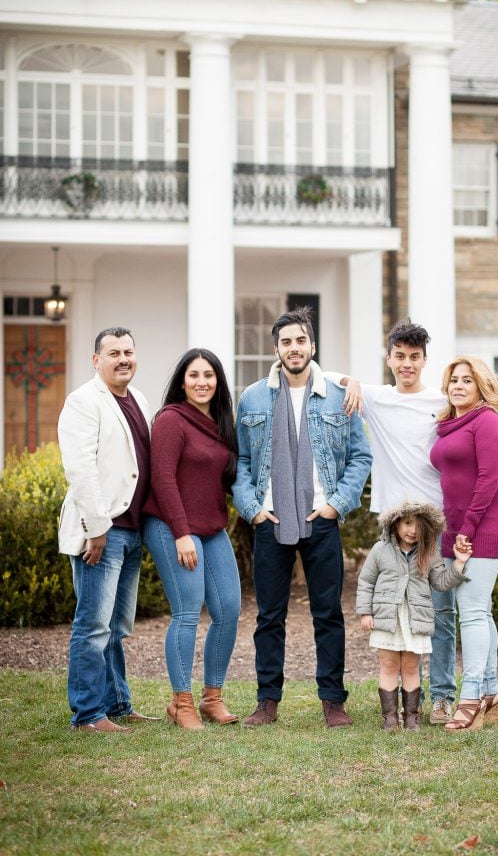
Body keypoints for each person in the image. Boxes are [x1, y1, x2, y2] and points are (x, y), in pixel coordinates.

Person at [330, 321, 498, 725]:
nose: (407, 364)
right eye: (400, 356)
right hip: (393, 523)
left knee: (445, 612)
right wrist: (352, 381)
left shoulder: (444, 404)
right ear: (389, 359)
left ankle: (444, 697)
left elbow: (482, 440)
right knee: (399, 607)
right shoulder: (376, 398)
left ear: (425, 360)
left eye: (415, 357)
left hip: (440, 522)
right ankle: (407, 693)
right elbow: (321, 375)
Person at [233, 306, 372, 728]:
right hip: (270, 520)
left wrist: (337, 503)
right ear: (276, 348)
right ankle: (266, 700)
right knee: (268, 616)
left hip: (321, 519)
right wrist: (252, 509)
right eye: (286, 342)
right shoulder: (253, 397)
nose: (294, 348)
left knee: (328, 614)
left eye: (301, 341)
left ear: (312, 346)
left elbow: (360, 455)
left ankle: (333, 701)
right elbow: (240, 459)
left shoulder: (338, 393)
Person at [58, 327, 158, 732]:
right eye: (113, 352)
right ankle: (87, 714)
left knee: (117, 628)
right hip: (102, 533)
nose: (123, 359)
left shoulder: (139, 400)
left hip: (132, 531)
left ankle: (117, 703)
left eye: (129, 351)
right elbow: (80, 469)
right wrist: (96, 529)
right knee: (93, 626)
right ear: (96, 359)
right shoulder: (83, 402)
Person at [143, 349, 241, 731]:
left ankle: (211, 698)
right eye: (194, 375)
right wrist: (181, 533)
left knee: (229, 609)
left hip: (211, 528)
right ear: (182, 381)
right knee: (187, 610)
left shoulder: (220, 423)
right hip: (172, 527)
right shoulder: (170, 420)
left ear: (218, 381)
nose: (202, 382)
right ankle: (180, 701)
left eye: (209, 375)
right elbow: (163, 479)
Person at [430, 357, 498, 731]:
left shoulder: (487, 422)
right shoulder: (449, 425)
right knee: (480, 610)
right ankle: (492, 690)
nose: (459, 386)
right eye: (454, 380)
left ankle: (470, 699)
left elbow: (486, 481)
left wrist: (466, 530)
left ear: (482, 386)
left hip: (483, 528)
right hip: (458, 529)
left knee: (474, 611)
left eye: (467, 380)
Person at [356, 501, 472, 732]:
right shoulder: (380, 549)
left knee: (410, 667)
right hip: (387, 617)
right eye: (408, 523)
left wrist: (459, 563)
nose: (412, 531)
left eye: (419, 526)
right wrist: (365, 612)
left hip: (415, 619)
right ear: (395, 523)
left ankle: (411, 718)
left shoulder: (429, 552)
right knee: (388, 664)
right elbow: (366, 581)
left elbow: (440, 582)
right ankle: (389, 718)